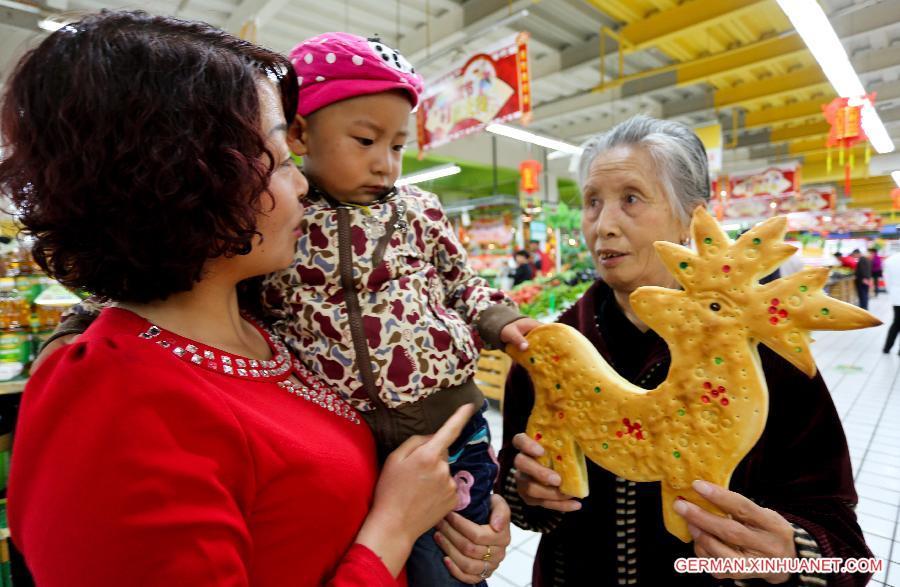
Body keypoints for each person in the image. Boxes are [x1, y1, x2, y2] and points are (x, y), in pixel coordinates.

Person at [2, 12, 509, 585]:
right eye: (285, 157)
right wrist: (393, 528)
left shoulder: (267, 329)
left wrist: (467, 516)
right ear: (184, 176)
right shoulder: (114, 403)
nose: (301, 185)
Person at [496, 115, 872, 586]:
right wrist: (526, 493)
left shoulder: (767, 358)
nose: (604, 225)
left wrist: (791, 555)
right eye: (593, 202)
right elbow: (514, 494)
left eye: (631, 199)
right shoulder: (551, 351)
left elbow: (844, 540)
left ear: (690, 217)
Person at [883, 251, 900, 354]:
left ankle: (887, 347)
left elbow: (887, 280)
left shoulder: (890, 260)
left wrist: (892, 291)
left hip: (896, 296)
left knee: (896, 322)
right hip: (896, 294)